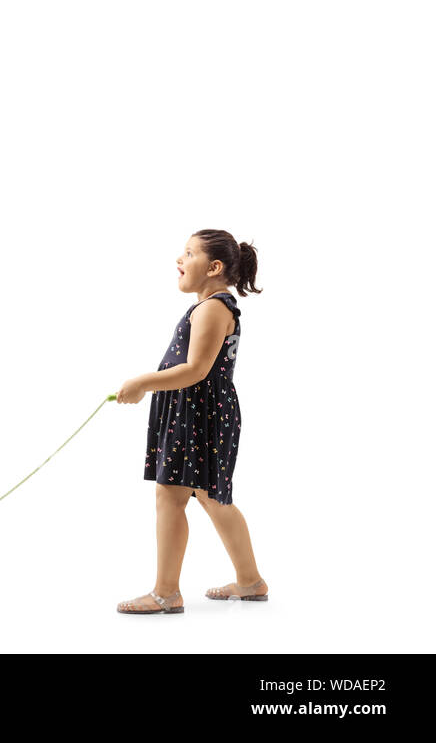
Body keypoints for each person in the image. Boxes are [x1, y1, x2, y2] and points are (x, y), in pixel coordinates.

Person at [114, 230, 267, 614]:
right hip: (199, 410)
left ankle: (166, 592)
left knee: (171, 495)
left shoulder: (214, 307)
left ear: (214, 267)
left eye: (188, 253)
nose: (179, 260)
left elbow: (197, 370)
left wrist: (142, 382)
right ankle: (250, 580)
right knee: (211, 496)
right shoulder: (214, 306)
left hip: (198, 411)